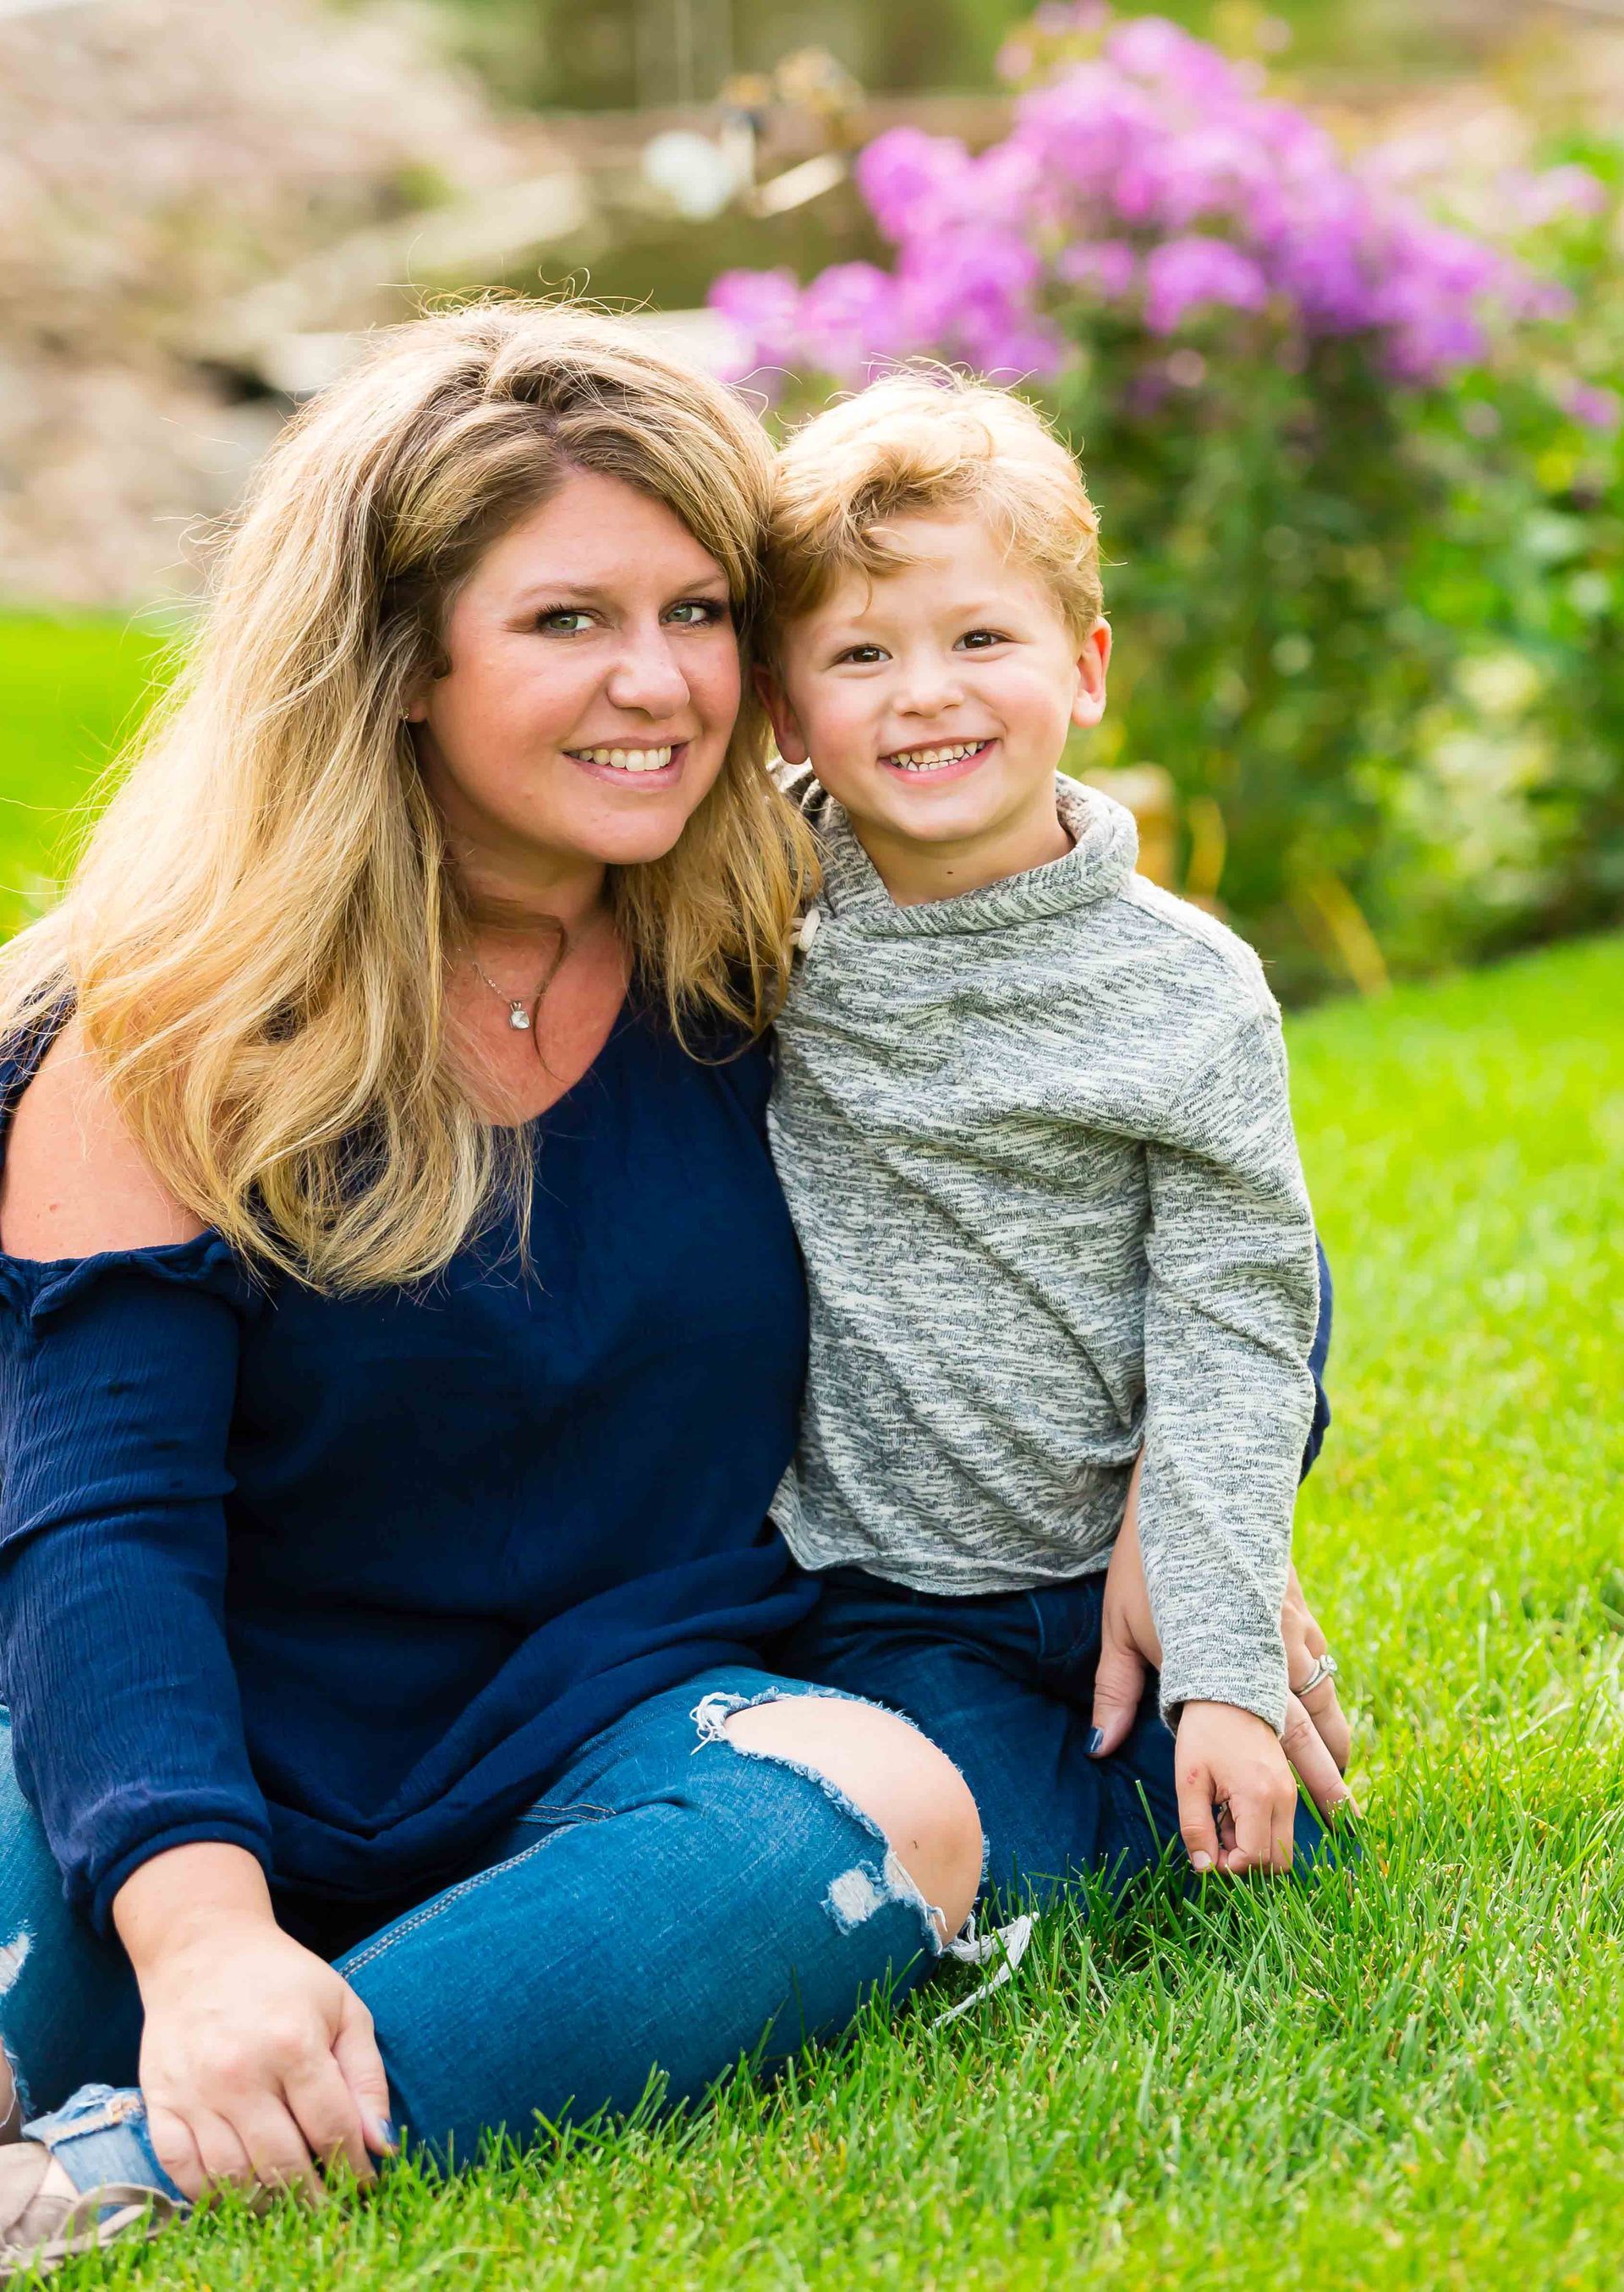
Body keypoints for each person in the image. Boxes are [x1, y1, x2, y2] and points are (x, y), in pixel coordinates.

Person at [0, 306, 985, 2279]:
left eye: (702, 610)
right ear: (394, 667)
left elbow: (1143, 1180)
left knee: (889, 1810)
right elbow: (103, 1533)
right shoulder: (166, 1026)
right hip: (172, 1742)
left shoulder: (796, 944)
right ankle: (179, 2033)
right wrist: (200, 1935)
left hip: (614, 1718)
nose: (662, 684)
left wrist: (1187, 1512)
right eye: (567, 621)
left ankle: (114, 2182)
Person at [754, 372, 1355, 1903]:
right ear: (785, 705)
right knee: (1005, 1888)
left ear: (1084, 667)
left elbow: (1234, 1328)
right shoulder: (756, 912)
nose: (925, 692)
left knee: (1234, 1830)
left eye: (980, 639)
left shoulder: (1191, 993)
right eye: (860, 653)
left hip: (1111, 1560)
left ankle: (1207, 1695)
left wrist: (1220, 1659)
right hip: (880, 1591)